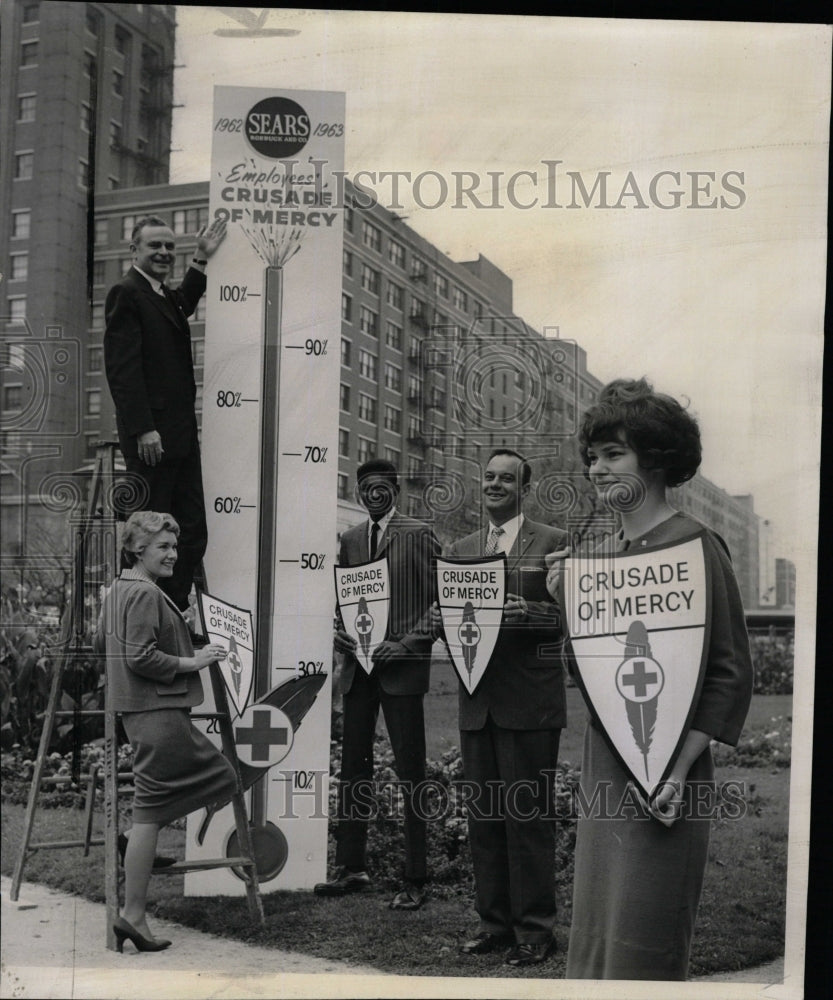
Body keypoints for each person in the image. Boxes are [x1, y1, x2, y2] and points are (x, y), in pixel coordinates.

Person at [547, 378, 754, 980]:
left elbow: (728, 674)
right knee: (596, 937)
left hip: (668, 774)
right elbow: (595, 677)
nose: (596, 470)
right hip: (605, 763)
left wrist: (678, 770)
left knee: (643, 938)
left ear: (656, 459)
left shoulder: (696, 545)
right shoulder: (602, 555)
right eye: (592, 458)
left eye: (614, 455)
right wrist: (569, 605)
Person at [431, 448, 569, 967]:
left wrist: (527, 611)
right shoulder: (461, 547)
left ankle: (535, 931)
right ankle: (494, 927)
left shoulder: (554, 544)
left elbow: (569, 616)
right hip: (477, 701)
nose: (494, 485)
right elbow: (447, 613)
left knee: (527, 821)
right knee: (484, 821)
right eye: (488, 477)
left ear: (523, 488)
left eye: (505, 479)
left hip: (529, 704)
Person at [95, 511, 236, 952]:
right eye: (163, 547)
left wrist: (180, 637)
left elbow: (105, 643)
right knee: (223, 778)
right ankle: (134, 911)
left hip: (140, 712)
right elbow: (140, 657)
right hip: (158, 712)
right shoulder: (144, 594)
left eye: (175, 547)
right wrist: (193, 661)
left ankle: (136, 857)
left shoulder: (119, 589)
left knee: (153, 809)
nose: (173, 554)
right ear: (137, 549)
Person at [314, 459, 441, 910]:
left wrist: (405, 645)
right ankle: (352, 868)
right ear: (359, 491)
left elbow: (442, 604)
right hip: (358, 670)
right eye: (365, 488)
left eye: (381, 487)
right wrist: (339, 630)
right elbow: (346, 600)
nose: (373, 494)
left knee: (411, 773)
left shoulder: (419, 533)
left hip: (401, 669)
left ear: (395, 488)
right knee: (353, 770)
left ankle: (416, 877)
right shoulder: (350, 540)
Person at [104, 215, 226, 613]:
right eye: (155, 245)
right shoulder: (126, 293)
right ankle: (142, 611)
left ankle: (170, 609)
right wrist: (143, 429)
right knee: (149, 535)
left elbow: (182, 304)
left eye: (170, 247)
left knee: (190, 530)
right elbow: (122, 370)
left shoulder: (161, 295)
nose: (163, 253)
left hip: (181, 437)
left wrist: (201, 259)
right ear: (134, 249)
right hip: (152, 441)